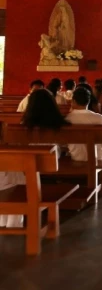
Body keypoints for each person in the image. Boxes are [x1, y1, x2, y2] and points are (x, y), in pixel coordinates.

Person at [2, 90, 68, 229]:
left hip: (26, 171)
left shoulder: (21, 127)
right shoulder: (60, 126)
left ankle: (8, 225)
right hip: (52, 167)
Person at [66, 87, 102, 162]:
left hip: (78, 158)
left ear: (73, 101)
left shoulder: (67, 119)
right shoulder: (99, 118)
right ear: (88, 101)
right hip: (99, 158)